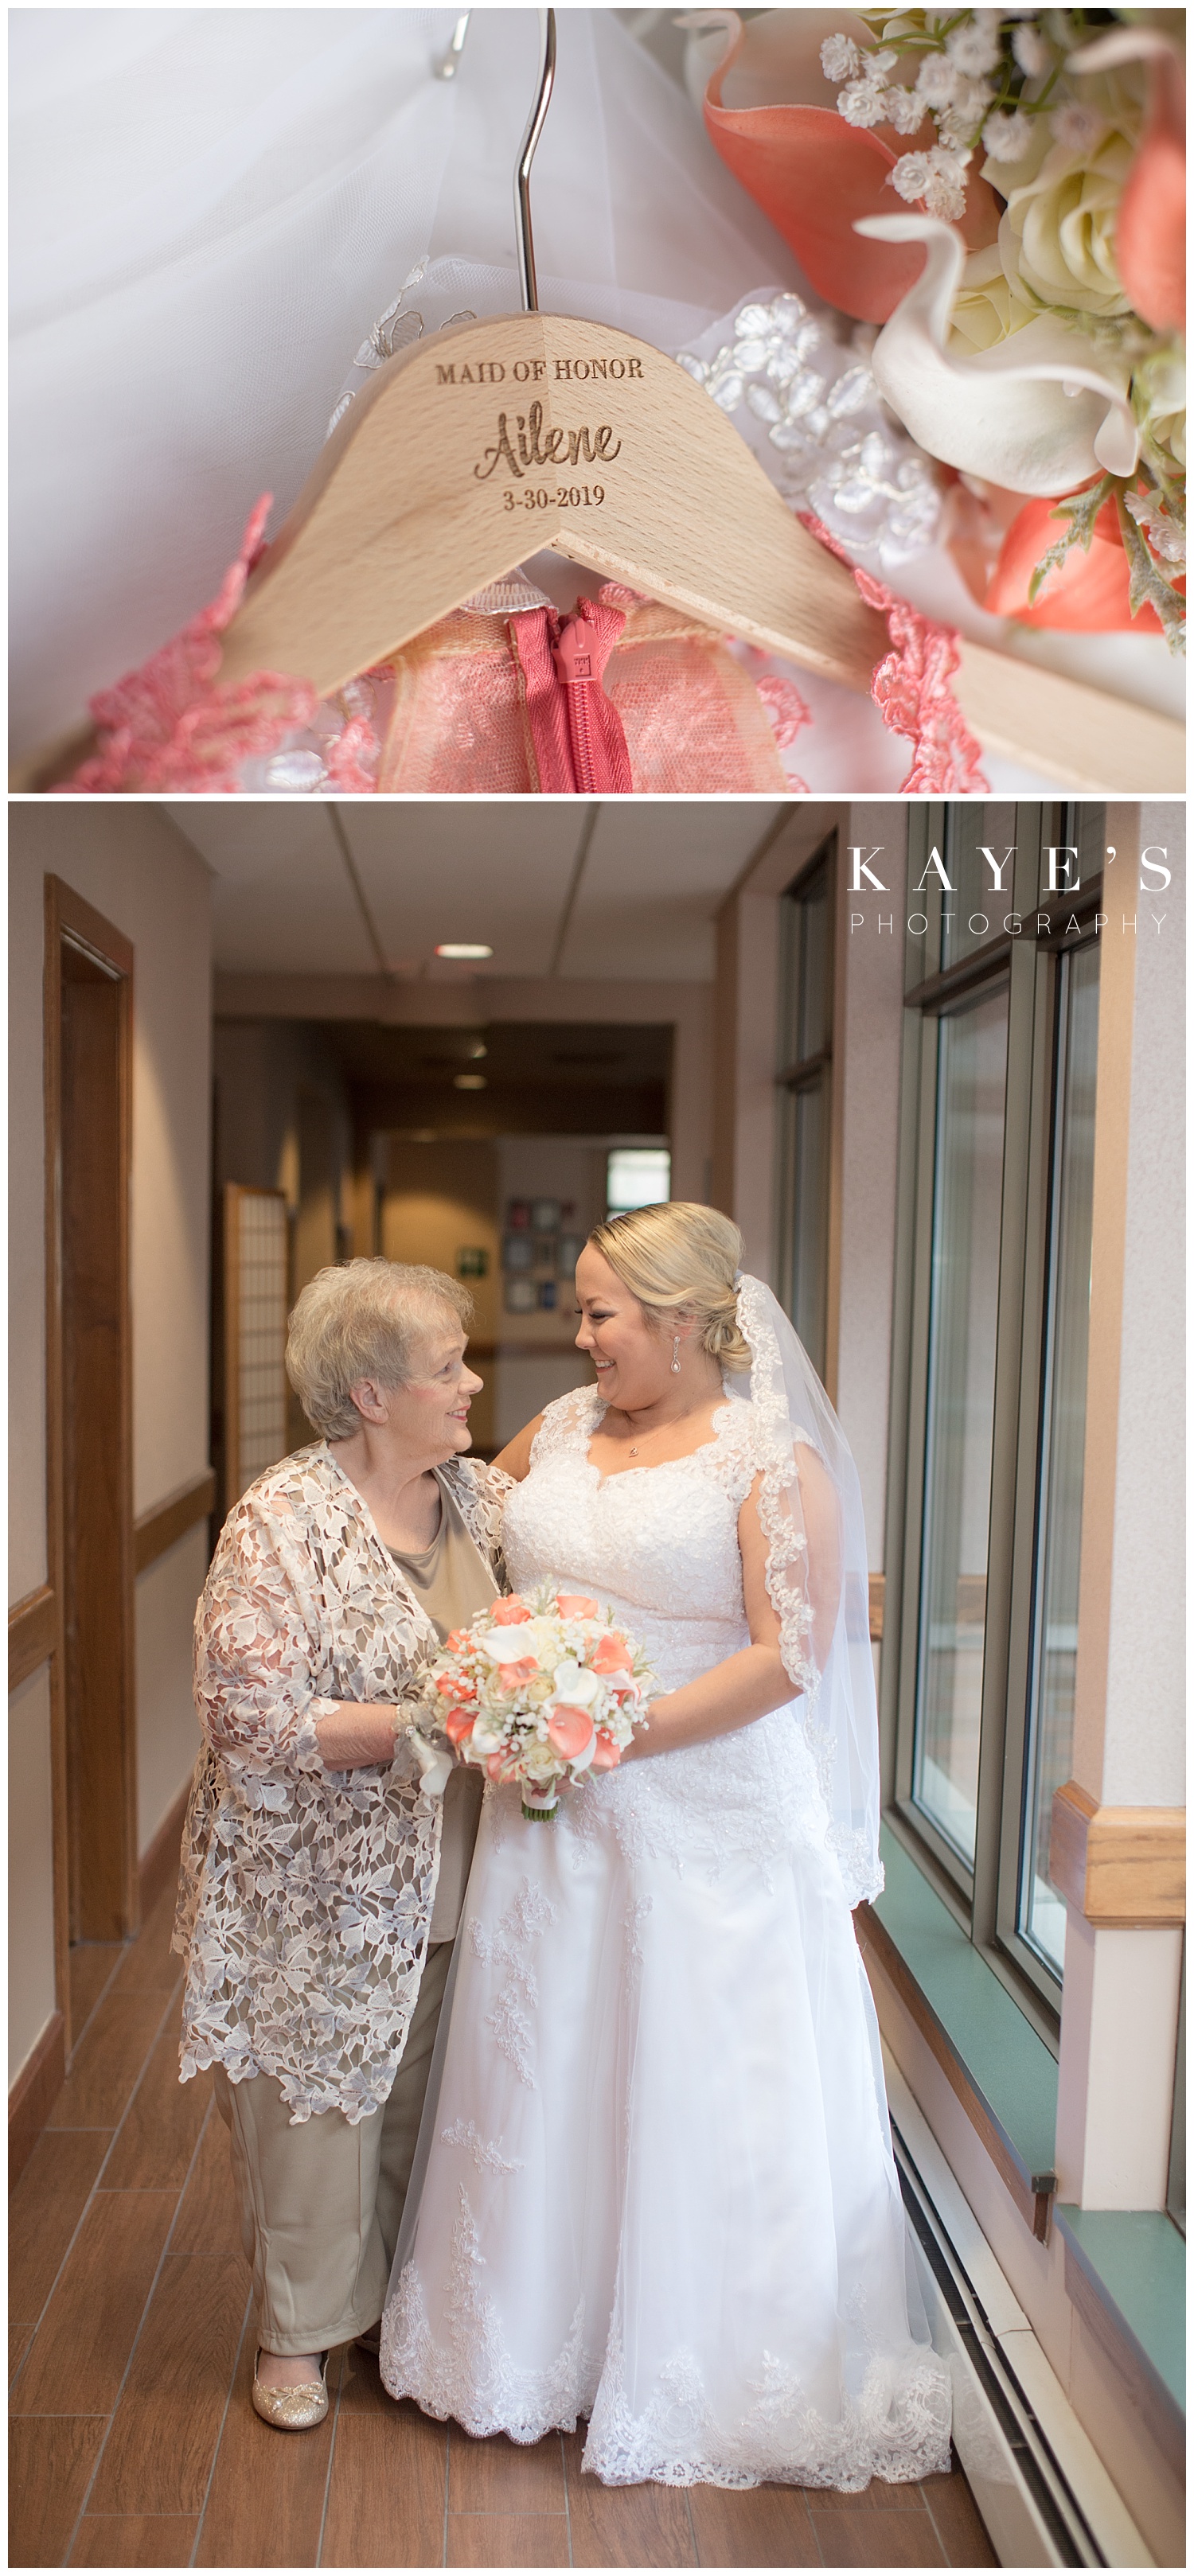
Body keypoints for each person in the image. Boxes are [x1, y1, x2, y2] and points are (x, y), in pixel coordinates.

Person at [380, 1202, 950, 2489]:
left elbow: (784, 1653)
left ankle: (704, 2357)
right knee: (552, 2060)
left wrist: (616, 1736)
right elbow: (471, 1523)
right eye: (583, 1310)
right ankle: (530, 2344)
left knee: (689, 2069)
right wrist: (507, 1683)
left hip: (700, 1802)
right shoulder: (564, 1429)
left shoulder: (766, 1458)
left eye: (600, 1313)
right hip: (556, 1811)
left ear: (686, 1322)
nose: (578, 1338)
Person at [174, 1257, 505, 2431]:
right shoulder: (283, 1521)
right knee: (316, 2113)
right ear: (370, 1392)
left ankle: (389, 2318)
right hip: (314, 1888)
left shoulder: (473, 1497)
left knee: (418, 2094)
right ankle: (298, 2336)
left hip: (454, 1870)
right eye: (446, 1366)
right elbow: (246, 1715)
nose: (473, 1382)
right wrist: (433, 1721)